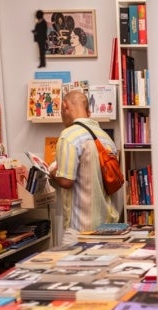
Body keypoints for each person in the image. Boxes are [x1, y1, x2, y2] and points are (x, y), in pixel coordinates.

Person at [50, 90, 119, 245]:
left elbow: (66, 181)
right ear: (88, 110)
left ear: (65, 106)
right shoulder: (105, 137)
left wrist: (53, 172)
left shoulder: (69, 136)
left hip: (81, 230)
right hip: (108, 228)